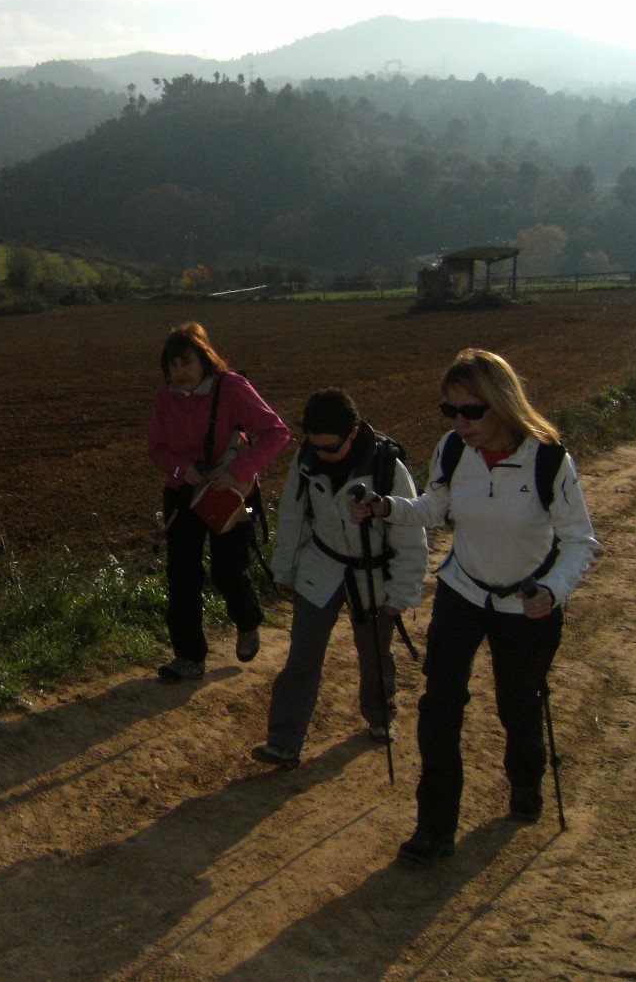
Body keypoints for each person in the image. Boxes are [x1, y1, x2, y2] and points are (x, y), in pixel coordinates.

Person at [353, 348, 599, 866]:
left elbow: (579, 541)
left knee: (518, 703)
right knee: (439, 709)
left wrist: (551, 591)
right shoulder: (452, 450)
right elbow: (436, 509)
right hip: (462, 591)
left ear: (503, 405)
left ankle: (526, 782)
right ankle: (434, 828)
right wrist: (385, 508)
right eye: (452, 411)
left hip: (525, 603)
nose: (459, 422)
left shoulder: (548, 457)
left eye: (471, 411)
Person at [254, 389, 428, 768]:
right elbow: (292, 515)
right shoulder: (305, 459)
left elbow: (411, 534)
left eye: (329, 447)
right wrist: (283, 568)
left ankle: (380, 716)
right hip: (321, 567)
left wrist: (401, 592)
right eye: (314, 445)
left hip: (373, 574)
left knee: (374, 653)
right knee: (302, 655)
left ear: (352, 432)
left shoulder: (387, 467)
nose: (322, 454)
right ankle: (283, 742)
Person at [148, 322, 291, 681]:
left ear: (205, 361)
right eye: (173, 366)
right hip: (184, 494)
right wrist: (182, 469)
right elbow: (157, 449)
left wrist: (238, 471)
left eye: (186, 363)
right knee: (182, 575)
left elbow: (276, 432)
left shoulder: (231, 388)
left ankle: (246, 620)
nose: (179, 373)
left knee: (228, 571)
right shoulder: (165, 397)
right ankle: (189, 656)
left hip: (230, 494)